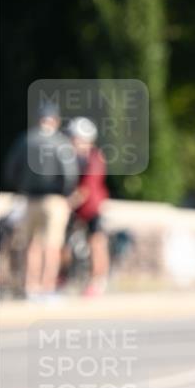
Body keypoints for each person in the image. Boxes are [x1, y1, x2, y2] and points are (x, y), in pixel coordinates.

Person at [2, 103, 78, 298]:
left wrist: (20, 187)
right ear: (55, 120)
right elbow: (70, 173)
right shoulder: (61, 142)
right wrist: (66, 192)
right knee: (51, 246)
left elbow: (10, 169)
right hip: (53, 199)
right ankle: (47, 286)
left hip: (29, 198)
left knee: (31, 245)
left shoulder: (25, 140)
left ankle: (30, 285)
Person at [65, 117, 110, 297]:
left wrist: (68, 203)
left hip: (91, 207)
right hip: (79, 207)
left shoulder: (94, 157)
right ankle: (67, 277)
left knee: (96, 243)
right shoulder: (74, 157)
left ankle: (98, 280)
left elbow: (86, 188)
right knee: (67, 243)